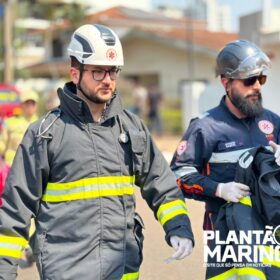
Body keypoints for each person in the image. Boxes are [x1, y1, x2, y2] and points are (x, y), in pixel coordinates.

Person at [0, 24, 194, 280]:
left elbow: (161, 183)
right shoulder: (46, 134)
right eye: (98, 71)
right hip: (67, 271)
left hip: (123, 271)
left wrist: (178, 226)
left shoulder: (131, 127)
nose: (108, 80)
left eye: (113, 71)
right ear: (75, 73)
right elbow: (16, 208)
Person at [170, 40, 280, 279]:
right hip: (225, 234)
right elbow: (178, 176)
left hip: (271, 231)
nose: (257, 87)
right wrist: (218, 189)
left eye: (261, 79)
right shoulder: (205, 127)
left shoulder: (273, 122)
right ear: (226, 82)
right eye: (249, 80)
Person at [0, 89, 39, 167]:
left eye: (33, 103)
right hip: (11, 166)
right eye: (27, 103)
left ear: (36, 106)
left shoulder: (41, 123)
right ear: (21, 105)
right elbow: (2, 144)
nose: (30, 106)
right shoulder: (10, 122)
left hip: (32, 167)